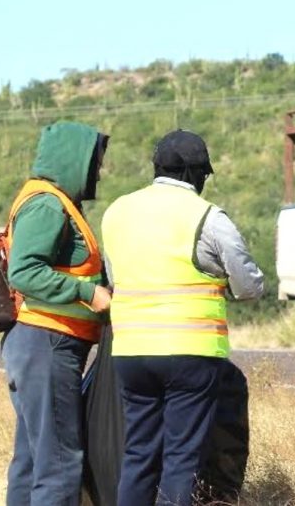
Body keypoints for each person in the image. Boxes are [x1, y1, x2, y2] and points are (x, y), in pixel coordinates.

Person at [101, 129, 264, 505]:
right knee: (180, 460)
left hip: (130, 352)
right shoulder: (206, 216)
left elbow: (114, 276)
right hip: (190, 353)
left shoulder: (117, 211)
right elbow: (248, 284)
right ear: (197, 175)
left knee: (139, 455)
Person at [1, 120, 112, 506]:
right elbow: (25, 271)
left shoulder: (53, 201)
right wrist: (89, 292)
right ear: (72, 159)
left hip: (38, 344)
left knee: (33, 463)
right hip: (47, 344)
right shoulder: (48, 204)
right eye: (93, 162)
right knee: (60, 466)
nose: (97, 171)